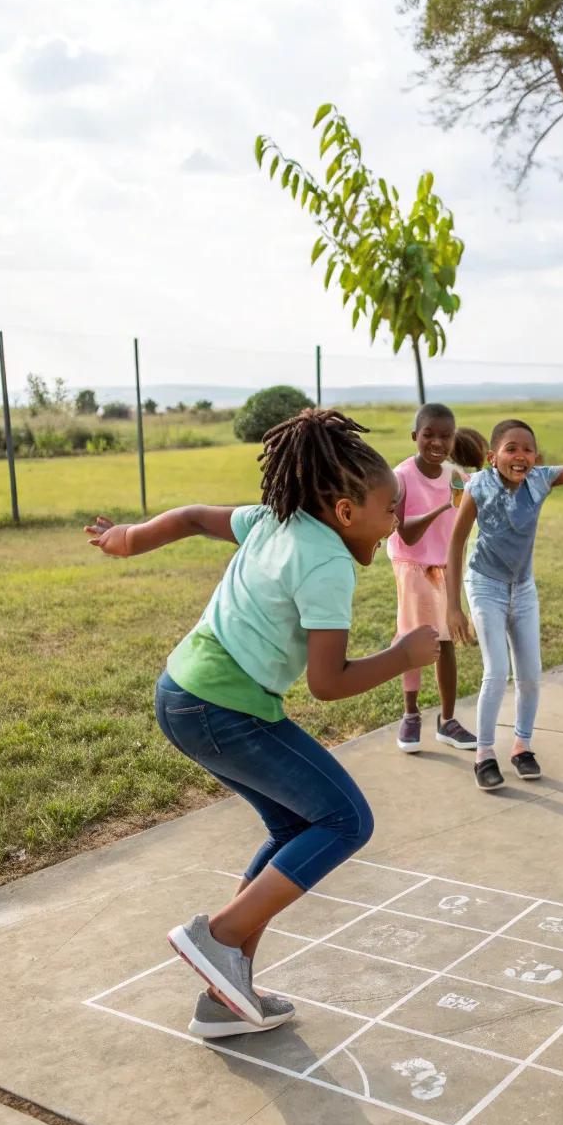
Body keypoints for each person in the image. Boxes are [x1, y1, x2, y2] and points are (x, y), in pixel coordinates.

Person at [85, 408, 439, 1039]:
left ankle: (226, 995)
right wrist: (404, 655)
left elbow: (194, 518)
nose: (396, 521)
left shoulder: (277, 517)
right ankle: (218, 936)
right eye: (391, 509)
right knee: (346, 820)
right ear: (345, 511)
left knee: (295, 825)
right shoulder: (327, 563)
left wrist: (131, 538)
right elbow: (328, 684)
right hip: (221, 708)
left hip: (182, 694)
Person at [446, 397, 563, 791]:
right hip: (484, 584)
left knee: (531, 676)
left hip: (523, 587)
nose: (521, 456)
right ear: (492, 456)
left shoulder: (540, 479)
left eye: (528, 449)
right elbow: (456, 544)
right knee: (497, 671)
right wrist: (453, 607)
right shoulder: (478, 486)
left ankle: (522, 746)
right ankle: (485, 754)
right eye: (511, 449)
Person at [389, 403, 477, 754]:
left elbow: (476, 506)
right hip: (412, 565)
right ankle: (410, 715)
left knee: (447, 641)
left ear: (453, 439)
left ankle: (447, 721)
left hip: (446, 566)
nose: (437, 442)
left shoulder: (457, 476)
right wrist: (443, 506)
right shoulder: (402, 476)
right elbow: (406, 533)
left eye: (445, 436)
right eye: (429, 435)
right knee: (413, 640)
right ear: (415, 436)